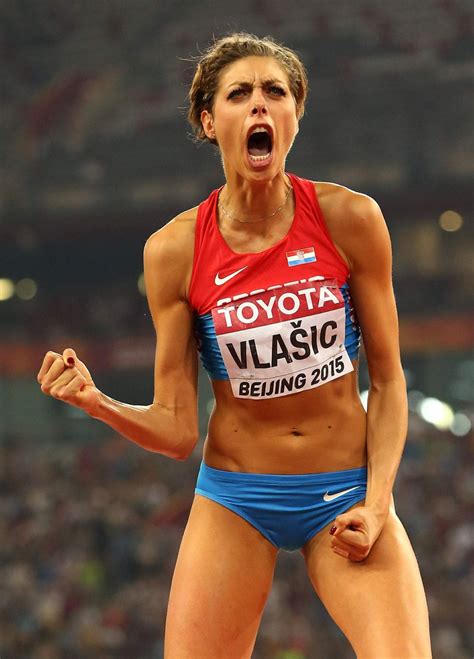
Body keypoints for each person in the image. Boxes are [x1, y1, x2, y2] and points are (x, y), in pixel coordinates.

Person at [37, 32, 432, 658]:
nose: (259, 107)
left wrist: (379, 505)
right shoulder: (174, 251)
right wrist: (98, 402)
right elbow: (175, 430)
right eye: (239, 94)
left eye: (275, 92)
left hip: (344, 491)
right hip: (237, 498)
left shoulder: (349, 219)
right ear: (207, 118)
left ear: (296, 114)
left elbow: (387, 381)